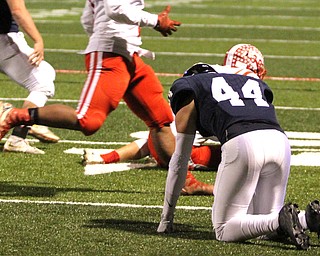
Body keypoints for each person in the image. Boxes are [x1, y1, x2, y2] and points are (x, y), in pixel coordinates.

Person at [156, 44, 320, 250]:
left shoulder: (189, 87)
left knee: (224, 228)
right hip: (280, 143)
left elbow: (180, 160)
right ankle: (307, 219)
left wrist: (166, 219)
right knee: (264, 227)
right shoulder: (250, 80)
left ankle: (281, 220)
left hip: (243, 142)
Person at [0, 1, 180, 165]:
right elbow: (116, 9)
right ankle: (15, 115)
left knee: (161, 118)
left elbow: (88, 17)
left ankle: (183, 180)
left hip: (128, 53)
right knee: (88, 121)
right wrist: (155, 21)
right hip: (111, 54)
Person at [0, 0, 60, 154]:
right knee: (43, 81)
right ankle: (18, 136)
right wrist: (38, 40)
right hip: (3, 38)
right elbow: (18, 10)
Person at [83, 129, 221, 195]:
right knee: (236, 148)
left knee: (156, 135)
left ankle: (103, 157)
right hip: (180, 154)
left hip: (158, 142)